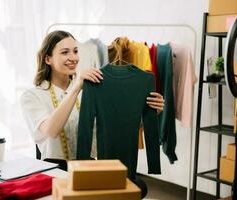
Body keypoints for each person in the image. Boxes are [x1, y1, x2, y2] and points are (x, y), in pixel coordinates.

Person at [20, 30, 164, 198]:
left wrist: (151, 112)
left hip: (88, 166)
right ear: (48, 59)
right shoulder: (32, 96)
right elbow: (50, 131)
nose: (73, 57)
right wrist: (76, 88)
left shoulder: (91, 87)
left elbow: (114, 126)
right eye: (65, 52)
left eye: (75, 51)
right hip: (54, 170)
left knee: (136, 187)